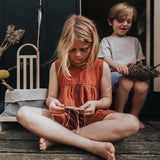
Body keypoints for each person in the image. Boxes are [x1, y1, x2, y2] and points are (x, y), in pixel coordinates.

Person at [16, 14, 140, 160]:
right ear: (64, 45)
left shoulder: (102, 66)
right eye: (72, 49)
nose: (78, 55)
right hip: (63, 118)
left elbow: (106, 100)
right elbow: (51, 97)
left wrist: (95, 103)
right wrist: (52, 103)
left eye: (83, 49)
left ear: (92, 45)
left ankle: (57, 138)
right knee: (22, 113)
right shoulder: (57, 66)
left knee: (132, 122)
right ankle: (89, 145)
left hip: (93, 119)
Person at [98, 2, 148, 129]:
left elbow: (139, 60)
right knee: (126, 81)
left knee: (142, 86)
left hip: (132, 74)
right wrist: (118, 66)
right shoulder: (106, 40)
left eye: (129, 21)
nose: (125, 24)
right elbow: (106, 58)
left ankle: (134, 116)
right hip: (115, 75)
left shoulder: (134, 41)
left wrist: (137, 66)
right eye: (120, 20)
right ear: (110, 22)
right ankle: (118, 115)